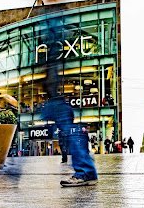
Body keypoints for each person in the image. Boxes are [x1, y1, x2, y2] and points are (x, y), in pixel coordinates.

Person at [40, 21, 98, 187]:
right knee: (68, 133)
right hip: (52, 102)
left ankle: (85, 171)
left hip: (57, 102)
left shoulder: (55, 41)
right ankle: (86, 169)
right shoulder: (51, 46)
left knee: (71, 133)